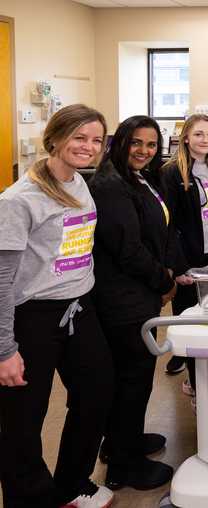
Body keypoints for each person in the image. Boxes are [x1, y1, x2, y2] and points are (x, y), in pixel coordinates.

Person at [0, 105, 115, 508]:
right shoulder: (19, 199)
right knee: (24, 417)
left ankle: (71, 482)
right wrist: (5, 350)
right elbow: (1, 280)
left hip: (79, 308)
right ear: (55, 137)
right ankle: (29, 497)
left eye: (96, 140)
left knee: (97, 391)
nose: (88, 147)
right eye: (79, 137)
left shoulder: (80, 184)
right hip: (34, 316)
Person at [90, 115, 177, 491]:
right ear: (120, 142)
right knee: (132, 378)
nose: (144, 151)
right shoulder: (110, 186)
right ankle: (125, 466)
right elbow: (128, 249)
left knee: (135, 377)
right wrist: (164, 279)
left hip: (137, 291)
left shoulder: (136, 178)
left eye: (152, 145)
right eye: (136, 143)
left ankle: (123, 441)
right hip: (123, 298)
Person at [161, 114, 208, 387]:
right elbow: (168, 225)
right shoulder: (172, 173)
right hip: (192, 260)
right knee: (190, 324)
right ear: (186, 137)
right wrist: (177, 267)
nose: (205, 140)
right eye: (199, 134)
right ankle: (194, 383)